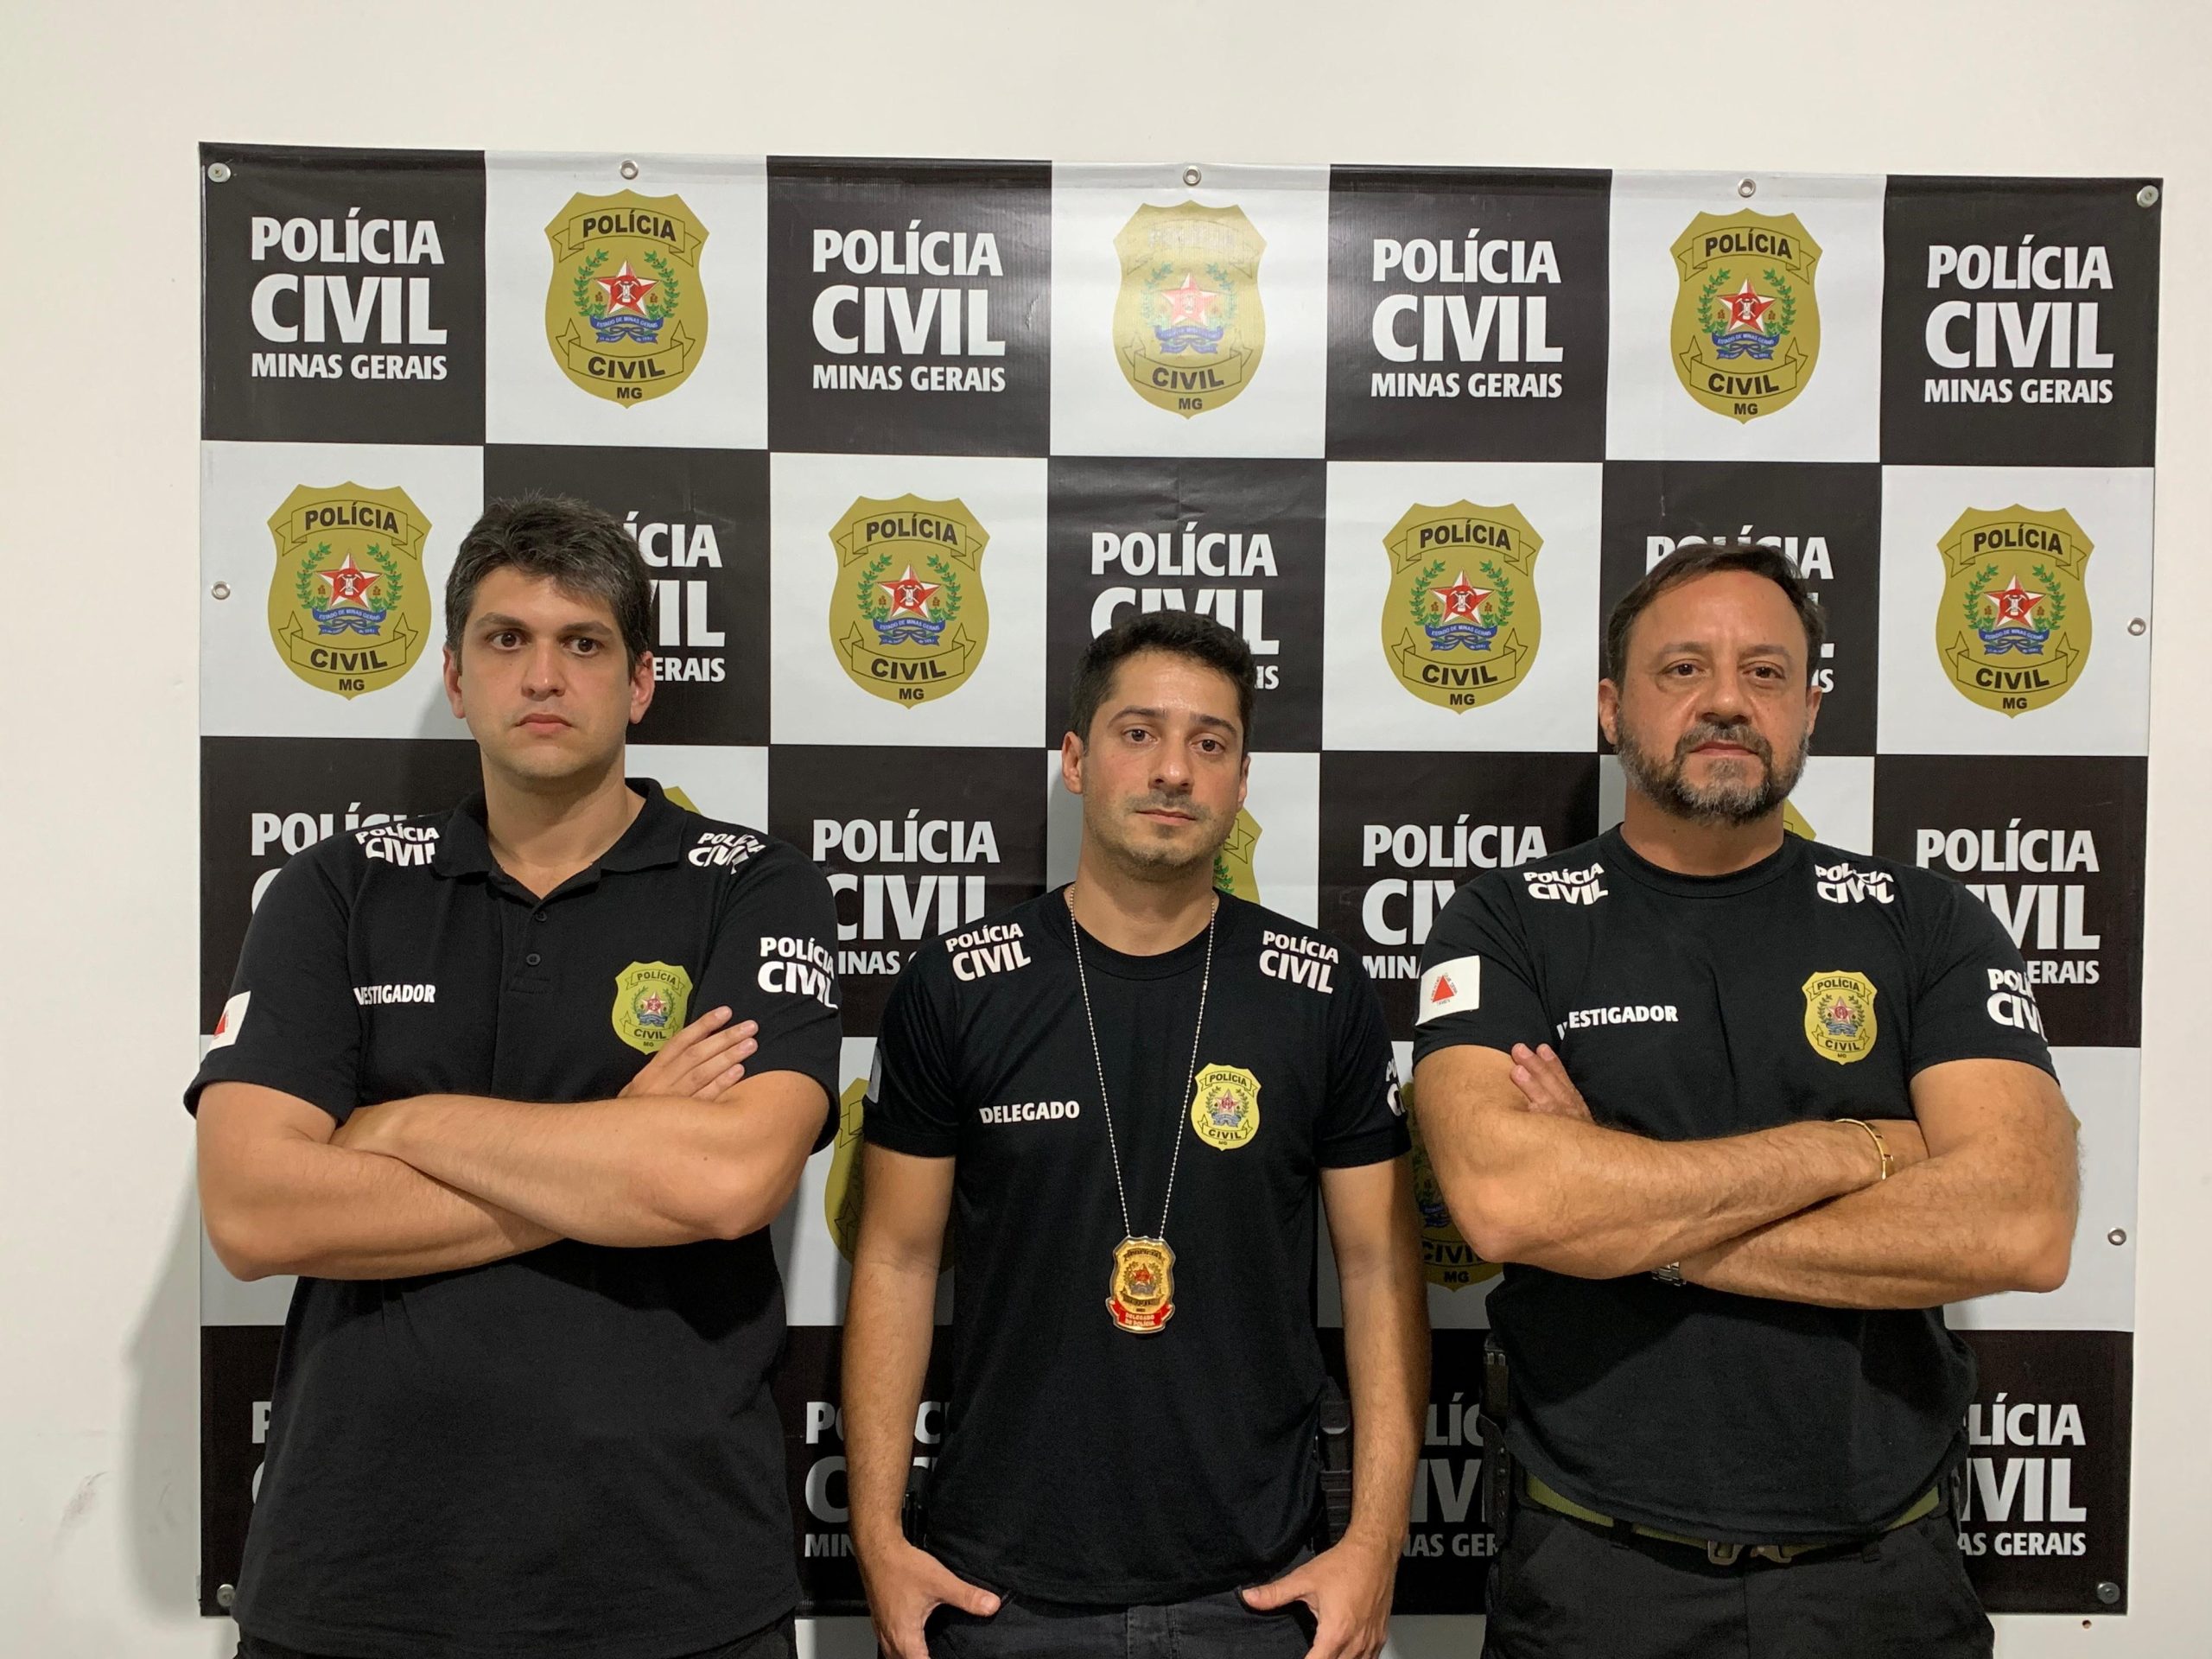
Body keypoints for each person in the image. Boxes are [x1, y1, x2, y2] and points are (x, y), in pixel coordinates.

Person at [190, 497, 842, 1659]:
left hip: (673, 1581)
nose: (544, 675)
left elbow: (726, 1183)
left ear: (641, 682)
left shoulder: (753, 887)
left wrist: (400, 1124)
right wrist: (621, 1141)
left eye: (584, 643)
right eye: (506, 640)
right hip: (358, 1581)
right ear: (454, 676)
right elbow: (253, 1211)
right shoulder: (334, 890)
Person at [1410, 544, 2079, 1658]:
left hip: (1879, 1581)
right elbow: (1508, 1204)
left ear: (1808, 708)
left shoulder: (1927, 922)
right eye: (1683, 669)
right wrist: (1856, 1149)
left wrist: (1627, 1216)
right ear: (1612, 707)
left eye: (1766, 672)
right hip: (1595, 1579)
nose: (1727, 699)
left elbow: (2020, 1223)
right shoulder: (1507, 921)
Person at [844, 612, 1427, 1659]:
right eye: (1138, 733)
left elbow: (1381, 1268)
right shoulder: (957, 985)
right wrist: (879, 1538)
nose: (1173, 770)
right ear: (1075, 761)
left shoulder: (1322, 992)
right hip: (999, 1591)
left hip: (1261, 1590)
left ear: (1241, 782)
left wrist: (1376, 1543)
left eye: (1210, 743)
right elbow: (894, 1258)